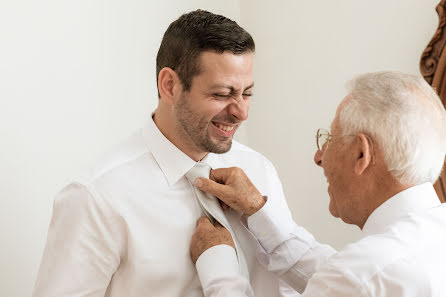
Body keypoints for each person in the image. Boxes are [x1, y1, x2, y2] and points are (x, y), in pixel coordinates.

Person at [32, 9, 296, 297]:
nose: (241, 112)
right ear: (170, 85)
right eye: (222, 94)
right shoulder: (97, 198)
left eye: (247, 94)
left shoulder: (260, 172)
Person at [189, 71, 446, 296]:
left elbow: (351, 279)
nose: (319, 157)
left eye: (329, 139)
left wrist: (219, 267)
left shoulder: (359, 275)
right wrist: (259, 212)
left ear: (361, 154)